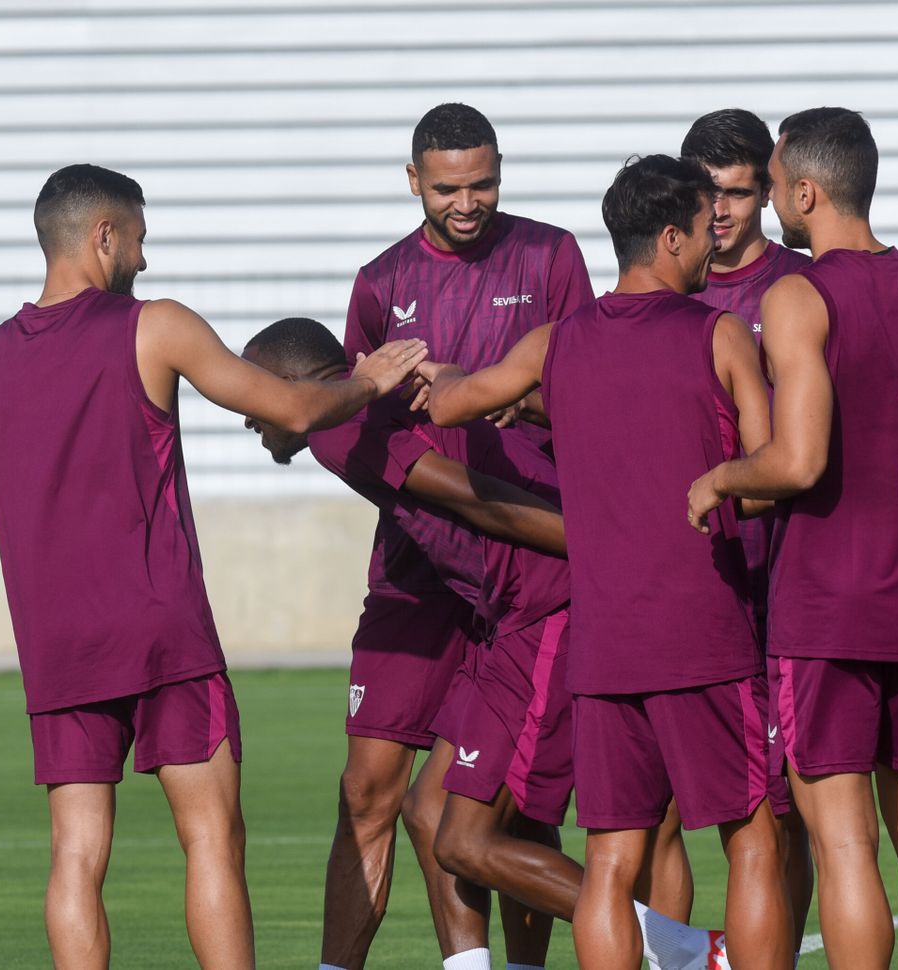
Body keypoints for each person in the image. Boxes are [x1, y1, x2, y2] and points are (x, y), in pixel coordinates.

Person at [0, 164, 427, 970]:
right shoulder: (151, 325)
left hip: (58, 647)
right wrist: (368, 381)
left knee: (77, 854)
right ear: (103, 237)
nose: (144, 263)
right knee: (211, 838)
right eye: (140, 243)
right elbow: (287, 407)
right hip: (163, 637)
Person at [243, 316, 724, 970]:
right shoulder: (370, 404)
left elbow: (474, 498)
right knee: (430, 812)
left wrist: (601, 547)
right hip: (511, 613)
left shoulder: (336, 429)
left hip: (552, 602)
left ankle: (691, 950)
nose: (249, 416)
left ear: (292, 385)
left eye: (254, 396)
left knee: (469, 841)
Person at [423, 154, 793, 969]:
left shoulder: (554, 342)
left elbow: (451, 402)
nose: (711, 248)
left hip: (601, 646)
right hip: (704, 634)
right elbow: (775, 473)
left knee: (612, 860)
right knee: (752, 839)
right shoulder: (718, 332)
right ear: (668, 237)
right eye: (703, 232)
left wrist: (437, 376)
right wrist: (717, 485)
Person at [687, 107, 898, 969]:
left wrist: (720, 478)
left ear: (806, 192)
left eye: (772, 187)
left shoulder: (797, 294)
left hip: (827, 610)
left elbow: (799, 462)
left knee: (845, 846)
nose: (770, 204)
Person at [330, 102, 595, 970]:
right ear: (414, 181)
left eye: (482, 182)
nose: (467, 201)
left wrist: (486, 387)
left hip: (530, 557)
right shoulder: (378, 283)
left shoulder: (550, 255)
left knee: (509, 801)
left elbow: (591, 397)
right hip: (418, 572)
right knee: (372, 793)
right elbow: (353, 419)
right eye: (448, 187)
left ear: (501, 170)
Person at [680, 105, 816, 950]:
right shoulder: (663, 289)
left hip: (787, 582)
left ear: (769, 192)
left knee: (786, 809)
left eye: (736, 193)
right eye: (707, 195)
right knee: (656, 811)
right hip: (689, 584)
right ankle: (685, 953)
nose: (721, 212)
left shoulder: (800, 289)